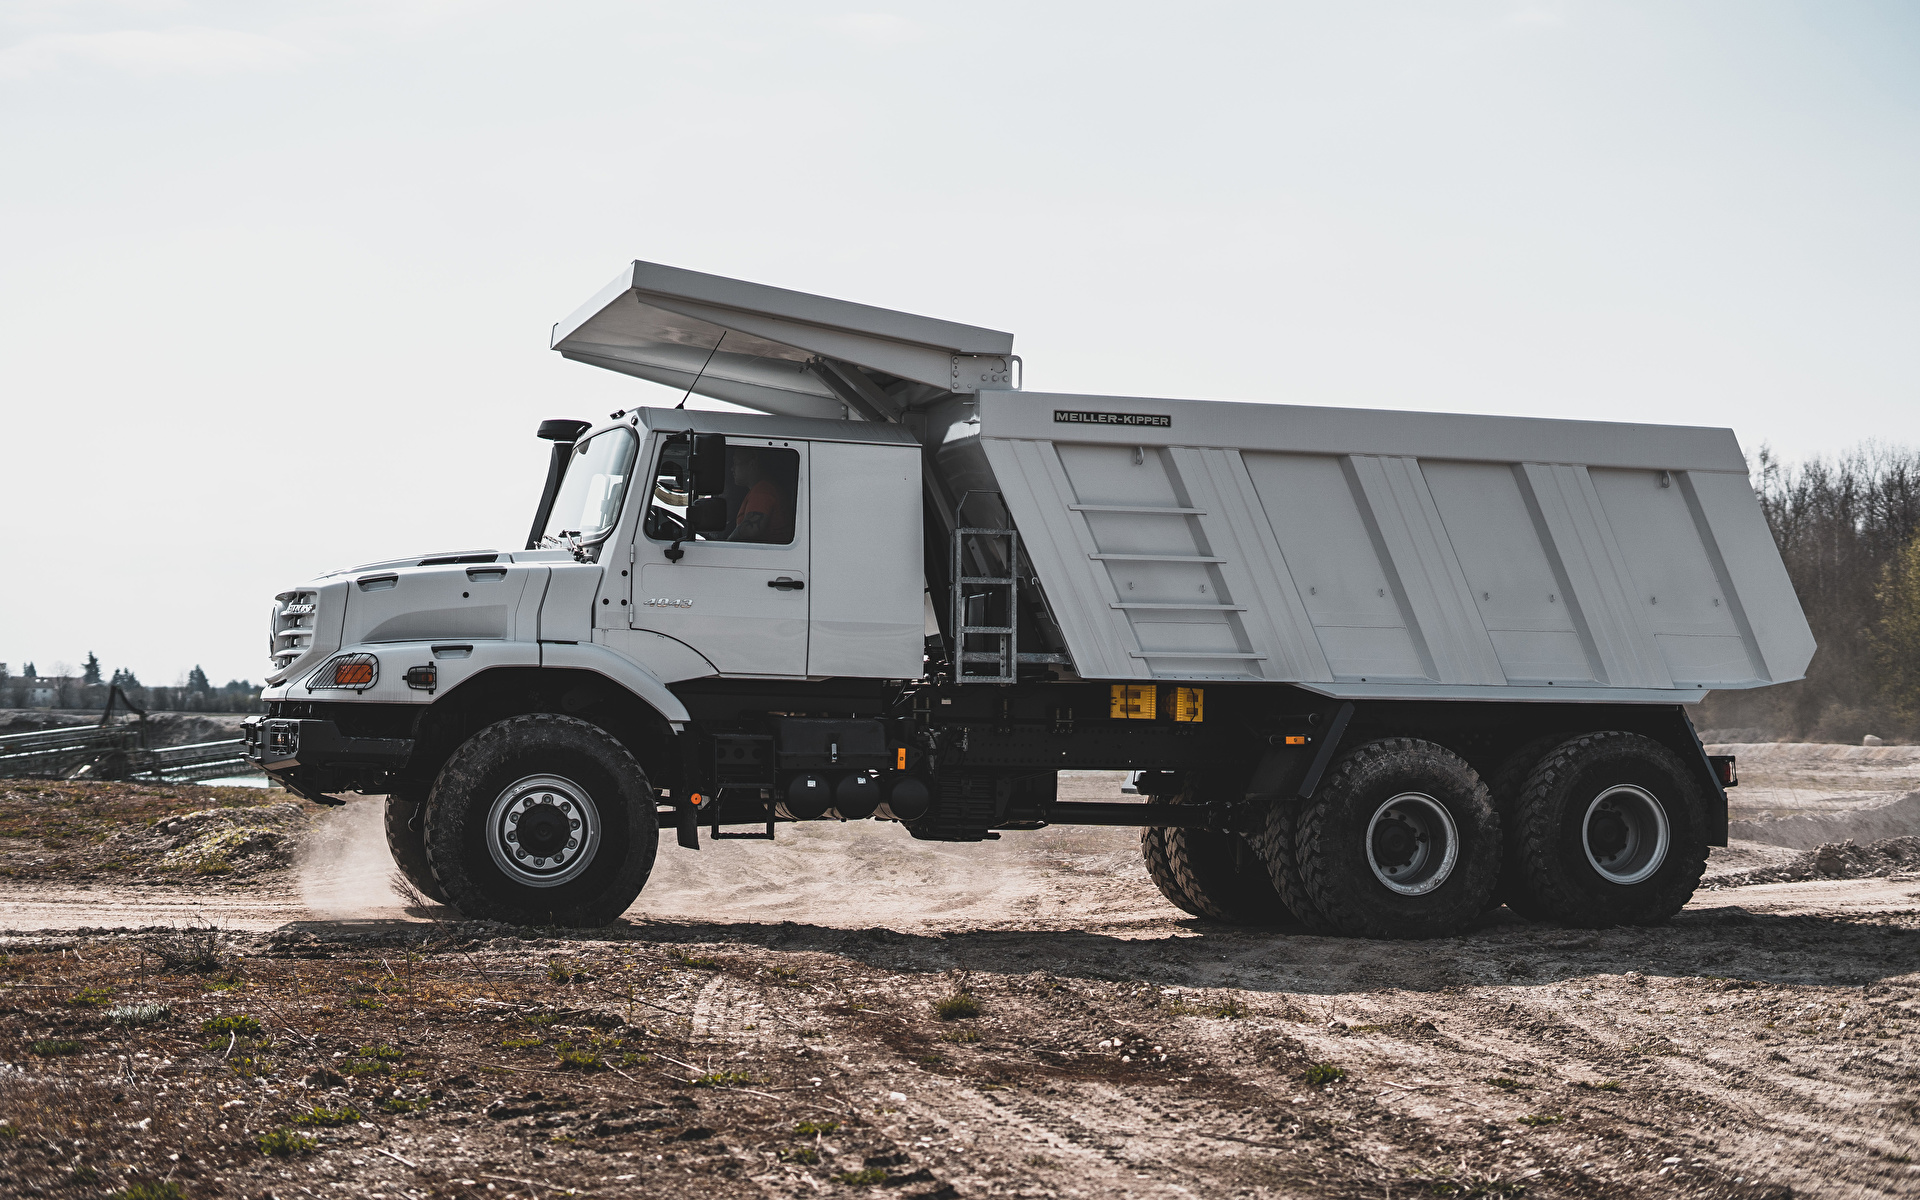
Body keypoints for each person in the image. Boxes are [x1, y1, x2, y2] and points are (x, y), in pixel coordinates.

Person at [728, 448, 795, 543]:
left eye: (735, 463)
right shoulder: (762, 489)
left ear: (752, 464)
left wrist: (728, 541)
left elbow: (750, 530)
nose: (732, 469)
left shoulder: (763, 490)